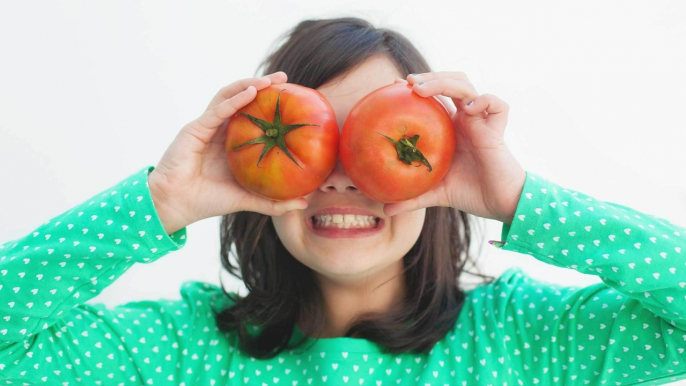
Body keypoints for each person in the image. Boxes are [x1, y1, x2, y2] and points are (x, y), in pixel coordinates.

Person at [1, 17, 685, 386]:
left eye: (372, 141)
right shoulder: (179, 352)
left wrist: (518, 199)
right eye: (309, 140)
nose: (342, 179)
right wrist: (161, 200)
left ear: (442, 158)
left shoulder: (529, 345)